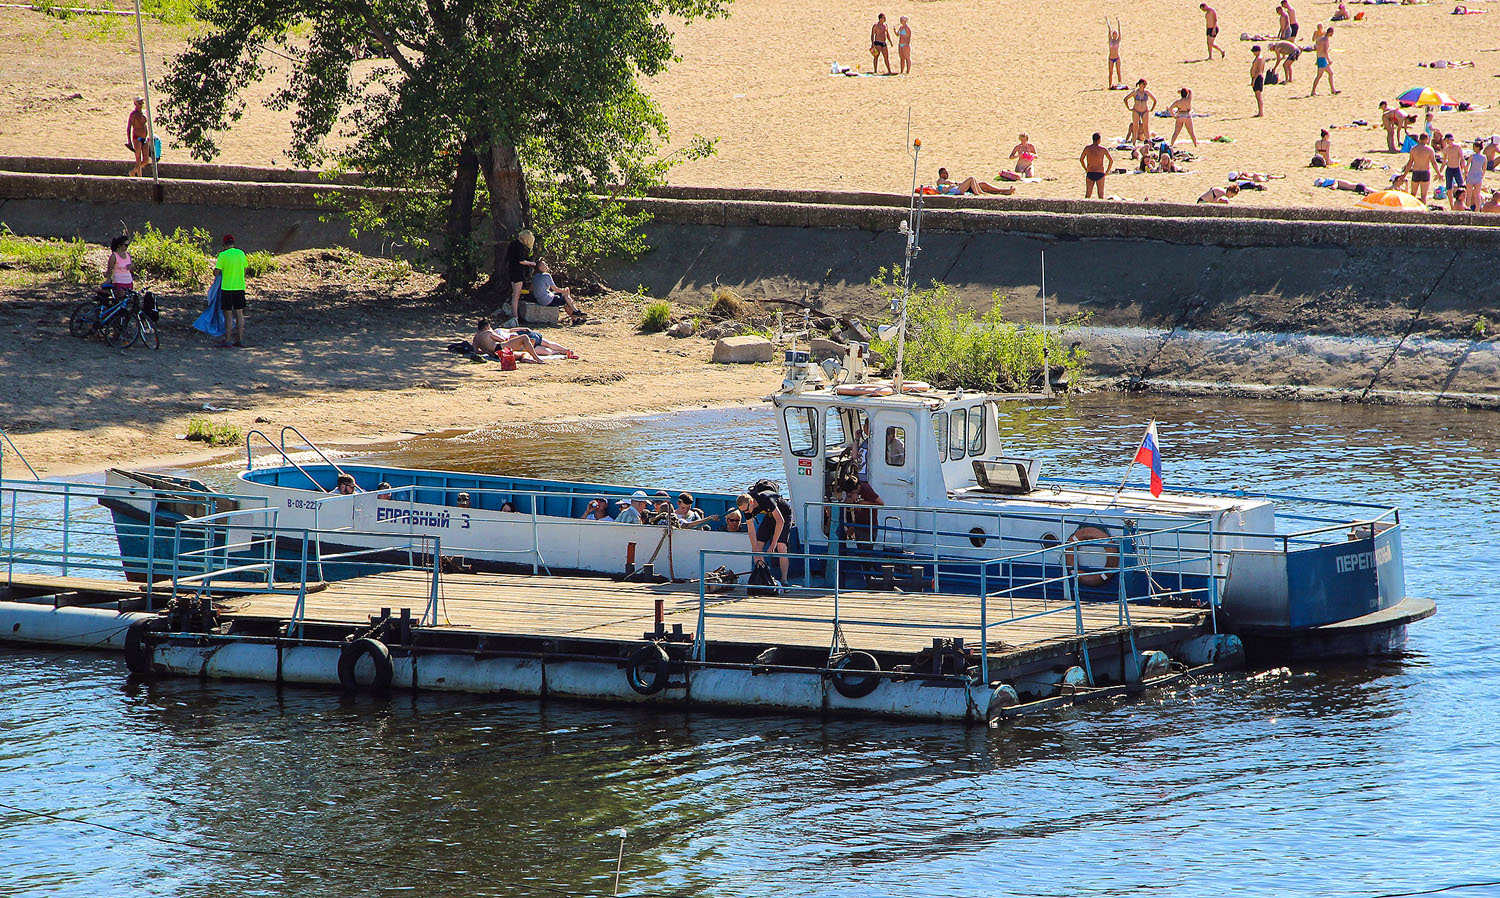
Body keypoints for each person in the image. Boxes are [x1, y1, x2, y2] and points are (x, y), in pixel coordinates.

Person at [737, 482, 794, 584]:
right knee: (758, 546)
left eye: (746, 509)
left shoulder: (765, 499)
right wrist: (755, 550)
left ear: (751, 501)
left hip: (783, 515)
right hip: (769, 516)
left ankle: (784, 579)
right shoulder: (747, 510)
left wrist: (773, 543)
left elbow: (780, 521)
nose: (746, 512)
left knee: (781, 546)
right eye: (743, 511)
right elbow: (751, 530)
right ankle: (764, 576)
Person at [212, 234, 248, 348]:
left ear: (224, 244)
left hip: (227, 288)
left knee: (228, 314)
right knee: (239, 313)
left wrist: (215, 272)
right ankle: (240, 339)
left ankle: (227, 340)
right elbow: (245, 269)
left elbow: (216, 272)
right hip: (240, 287)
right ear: (233, 243)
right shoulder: (241, 253)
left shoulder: (222, 255)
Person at [502, 229, 536, 327]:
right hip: (518, 272)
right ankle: (515, 317)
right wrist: (531, 263)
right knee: (516, 295)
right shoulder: (520, 247)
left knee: (515, 294)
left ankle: (514, 315)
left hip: (512, 271)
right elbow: (521, 261)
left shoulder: (513, 244)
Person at [838, 476, 883, 545]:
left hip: (868, 528)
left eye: (853, 493)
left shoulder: (865, 489)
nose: (852, 495)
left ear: (857, 488)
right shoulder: (855, 492)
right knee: (860, 550)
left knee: (865, 552)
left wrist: (862, 503)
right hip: (859, 525)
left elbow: (880, 503)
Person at [472, 318, 543, 362]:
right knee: (524, 337)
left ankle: (525, 358)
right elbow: (502, 339)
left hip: (494, 355)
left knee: (524, 353)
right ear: (487, 327)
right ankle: (537, 358)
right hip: (499, 348)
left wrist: (487, 351)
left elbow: (476, 351)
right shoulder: (488, 332)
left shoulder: (475, 337)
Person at [1403, 133, 1437, 203]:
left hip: (1416, 171)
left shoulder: (1413, 149)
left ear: (1419, 139)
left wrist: (1404, 174)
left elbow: (1410, 163)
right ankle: (1424, 211)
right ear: (1427, 140)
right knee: (1423, 196)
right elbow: (1434, 162)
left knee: (1413, 194)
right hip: (1425, 172)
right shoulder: (1430, 149)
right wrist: (1438, 173)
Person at [935, 167, 1014, 196]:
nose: (947, 174)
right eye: (945, 173)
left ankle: (1004, 191)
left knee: (984, 185)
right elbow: (946, 184)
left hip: (963, 187)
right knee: (975, 181)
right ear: (941, 174)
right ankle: (1003, 191)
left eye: (947, 173)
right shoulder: (940, 181)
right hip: (961, 188)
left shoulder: (946, 181)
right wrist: (953, 183)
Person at [1080, 133, 1113, 198]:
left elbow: (1081, 159)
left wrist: (1086, 169)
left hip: (1090, 172)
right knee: (1100, 195)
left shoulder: (1087, 148)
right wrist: (1107, 171)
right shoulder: (1103, 149)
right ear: (1099, 140)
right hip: (1100, 173)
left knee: (1088, 195)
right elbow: (1111, 161)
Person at [1124, 79, 1156, 144]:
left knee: (1146, 128)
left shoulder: (1147, 92)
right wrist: (1129, 108)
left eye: (1145, 84)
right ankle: (1134, 144)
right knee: (1135, 128)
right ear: (1140, 84)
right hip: (1136, 111)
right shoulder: (1135, 92)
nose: (1144, 86)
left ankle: (1148, 143)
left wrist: (1152, 109)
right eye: (1143, 84)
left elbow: (1155, 100)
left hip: (1145, 111)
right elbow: (1125, 99)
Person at [1310, 26, 1339, 96]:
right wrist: (1329, 60)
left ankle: (1333, 89)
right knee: (1319, 76)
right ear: (1331, 33)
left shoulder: (1321, 39)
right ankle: (1313, 91)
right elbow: (1325, 51)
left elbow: (1317, 48)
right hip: (1322, 59)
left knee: (1331, 73)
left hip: (1321, 58)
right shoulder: (1325, 40)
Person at [103, 234, 133, 300]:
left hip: (129, 281)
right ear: (119, 245)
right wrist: (108, 279)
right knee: (120, 300)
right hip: (119, 281)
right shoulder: (114, 256)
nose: (126, 247)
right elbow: (110, 269)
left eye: (128, 245)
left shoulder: (128, 255)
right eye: (125, 245)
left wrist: (131, 266)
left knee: (128, 301)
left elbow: (131, 268)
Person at [126, 98, 150, 177]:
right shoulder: (133, 114)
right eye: (139, 102)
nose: (141, 103)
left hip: (144, 138)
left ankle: (133, 172)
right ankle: (140, 176)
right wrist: (129, 141)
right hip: (137, 138)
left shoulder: (144, 113)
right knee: (138, 159)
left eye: (142, 102)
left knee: (146, 160)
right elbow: (129, 128)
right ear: (135, 103)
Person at [1466, 138, 1487, 210]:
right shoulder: (1484, 157)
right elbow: (1484, 168)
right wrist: (1482, 176)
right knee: (1477, 194)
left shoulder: (1472, 156)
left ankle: (1467, 208)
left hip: (1471, 175)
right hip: (1478, 176)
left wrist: (1466, 173)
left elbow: (1467, 166)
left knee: (1469, 194)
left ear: (1477, 147)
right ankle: (1477, 209)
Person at [1105, 18, 1123, 87]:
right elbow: (1109, 30)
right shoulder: (1110, 40)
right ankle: (1109, 85)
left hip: (1117, 57)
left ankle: (1120, 84)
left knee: (1118, 72)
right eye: (1114, 33)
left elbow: (1120, 31)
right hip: (1111, 58)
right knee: (1110, 72)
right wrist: (1107, 21)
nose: (1115, 34)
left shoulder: (1118, 40)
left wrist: (1118, 22)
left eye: (1116, 33)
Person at [1250, 46, 1266, 118]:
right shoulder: (1260, 58)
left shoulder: (1259, 59)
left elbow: (1258, 71)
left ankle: (1261, 112)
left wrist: (1253, 80)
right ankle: (1260, 112)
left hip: (1257, 78)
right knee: (1257, 96)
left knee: (1258, 96)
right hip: (1258, 77)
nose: (1253, 53)